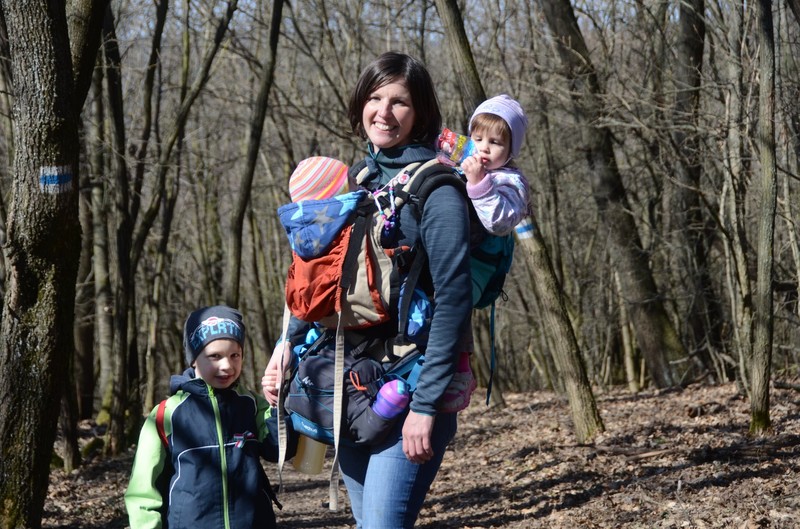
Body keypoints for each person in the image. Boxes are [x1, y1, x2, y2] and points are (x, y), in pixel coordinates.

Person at [263, 51, 473, 529]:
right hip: (351, 389)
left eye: (400, 102)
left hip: (410, 387)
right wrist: (285, 345)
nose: (383, 111)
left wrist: (426, 407)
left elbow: (454, 302)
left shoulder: (438, 189)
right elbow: (320, 274)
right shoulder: (355, 179)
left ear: (420, 112)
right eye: (375, 98)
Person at [125, 305, 295, 529]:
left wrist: (277, 402)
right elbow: (143, 490)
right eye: (215, 356)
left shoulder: (252, 405)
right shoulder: (166, 414)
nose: (227, 365)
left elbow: (280, 450)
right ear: (194, 359)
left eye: (235, 355)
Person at [460, 94, 530, 236]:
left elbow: (499, 223)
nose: (484, 148)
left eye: (494, 142)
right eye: (478, 139)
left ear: (511, 150)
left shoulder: (512, 182)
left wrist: (479, 184)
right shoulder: (467, 163)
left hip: (482, 249)